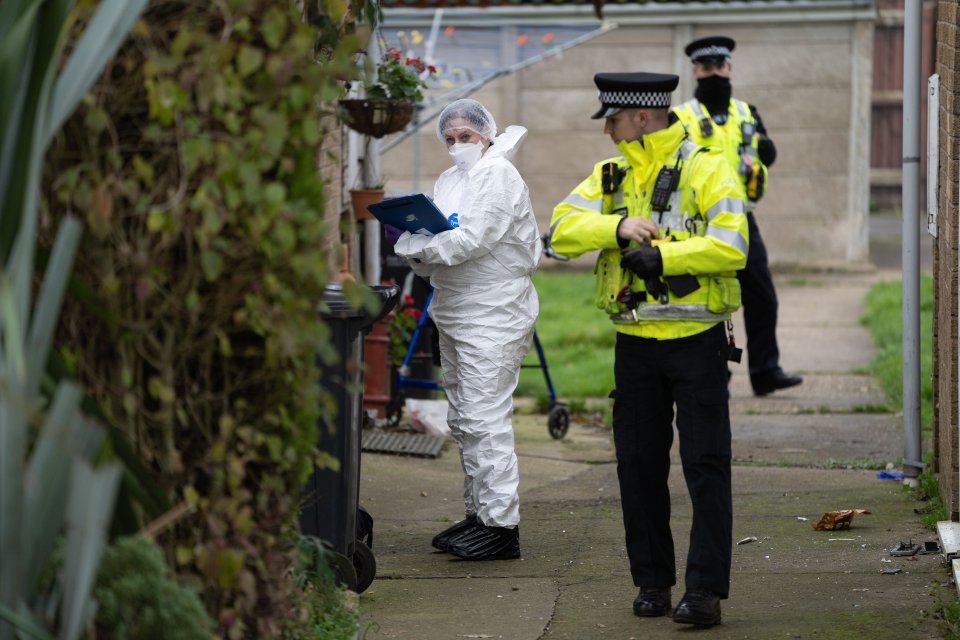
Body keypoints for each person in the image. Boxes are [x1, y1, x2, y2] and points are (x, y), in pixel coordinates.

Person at [547, 72, 747, 626]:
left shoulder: (708, 166)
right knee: (637, 466)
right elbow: (559, 231)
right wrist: (616, 228)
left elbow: (733, 247)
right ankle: (653, 583)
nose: (606, 131)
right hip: (634, 344)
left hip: (696, 343)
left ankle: (704, 592)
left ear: (639, 118)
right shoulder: (611, 175)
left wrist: (666, 259)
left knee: (705, 465)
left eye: (610, 120)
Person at [393, 98, 542, 561]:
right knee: (463, 417)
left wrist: (420, 248)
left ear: (487, 135)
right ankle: (479, 514)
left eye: (467, 137)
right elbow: (438, 235)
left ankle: (501, 526)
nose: (458, 145)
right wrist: (417, 245)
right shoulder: (452, 179)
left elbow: (473, 239)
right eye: (450, 139)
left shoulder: (498, 175)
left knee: (485, 417)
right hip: (455, 307)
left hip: (494, 308)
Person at [673, 35, 802, 397]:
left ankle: (765, 371)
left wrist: (766, 150)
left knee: (762, 297)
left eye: (720, 67)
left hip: (743, 221)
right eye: (706, 68)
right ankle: (717, 376)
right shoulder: (682, 117)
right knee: (708, 300)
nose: (714, 74)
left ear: (729, 68)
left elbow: (767, 152)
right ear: (696, 71)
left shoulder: (747, 113)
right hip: (699, 226)